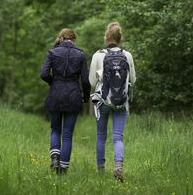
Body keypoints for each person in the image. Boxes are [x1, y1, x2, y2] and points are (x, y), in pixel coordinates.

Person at [89, 22, 136, 181]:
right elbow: (133, 80)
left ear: (106, 37)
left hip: (102, 100)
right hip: (121, 101)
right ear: (120, 38)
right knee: (118, 137)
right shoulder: (127, 55)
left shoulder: (97, 55)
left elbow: (92, 83)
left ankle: (100, 169)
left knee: (101, 136)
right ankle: (118, 168)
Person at [40, 28, 91, 174]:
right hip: (74, 96)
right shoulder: (80, 54)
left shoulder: (52, 52)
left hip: (55, 94)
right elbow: (85, 81)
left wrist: (53, 82)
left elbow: (43, 74)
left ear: (61, 38)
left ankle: (55, 158)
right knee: (67, 134)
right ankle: (63, 170)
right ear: (74, 39)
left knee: (55, 130)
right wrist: (86, 97)